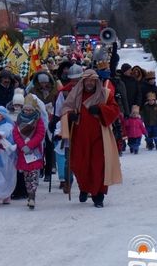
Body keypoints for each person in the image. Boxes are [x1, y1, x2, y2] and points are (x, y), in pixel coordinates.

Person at [61, 69, 122, 208]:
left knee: (98, 166)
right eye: (87, 80)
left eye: (92, 81)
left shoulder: (105, 94)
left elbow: (115, 110)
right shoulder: (75, 94)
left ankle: (98, 196)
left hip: (99, 137)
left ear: (96, 81)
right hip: (79, 137)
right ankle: (84, 188)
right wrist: (70, 116)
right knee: (79, 165)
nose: (89, 83)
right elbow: (65, 109)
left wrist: (101, 109)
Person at [12, 103, 45, 210]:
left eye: (30, 110)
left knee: (34, 174)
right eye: (26, 110)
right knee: (27, 176)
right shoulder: (19, 120)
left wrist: (30, 145)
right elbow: (15, 134)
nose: (28, 112)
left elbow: (40, 133)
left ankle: (32, 195)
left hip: (34, 151)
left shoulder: (38, 120)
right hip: (23, 153)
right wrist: (22, 146)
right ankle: (29, 193)